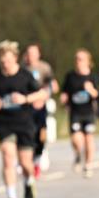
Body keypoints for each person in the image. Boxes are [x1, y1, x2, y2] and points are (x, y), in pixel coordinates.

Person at [0, 40, 47, 198]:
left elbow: (43, 93)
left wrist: (25, 99)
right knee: (7, 157)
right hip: (5, 123)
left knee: (25, 163)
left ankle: (29, 181)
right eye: (2, 60)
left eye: (7, 59)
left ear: (14, 58)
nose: (4, 63)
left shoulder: (25, 75)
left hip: (25, 123)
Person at [60, 49, 99, 177]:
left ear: (88, 61)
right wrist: (63, 98)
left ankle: (88, 164)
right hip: (75, 112)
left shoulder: (93, 77)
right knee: (77, 140)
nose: (78, 62)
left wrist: (91, 89)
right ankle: (78, 154)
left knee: (89, 139)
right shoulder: (70, 76)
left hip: (88, 112)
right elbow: (64, 92)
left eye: (81, 59)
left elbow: (97, 95)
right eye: (77, 59)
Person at [23, 43, 59, 177]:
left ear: (38, 54)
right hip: (26, 107)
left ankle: (39, 155)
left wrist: (44, 96)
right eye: (29, 53)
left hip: (40, 105)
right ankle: (28, 160)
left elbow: (52, 85)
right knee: (28, 133)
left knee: (41, 133)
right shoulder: (22, 69)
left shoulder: (44, 67)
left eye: (34, 53)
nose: (31, 56)